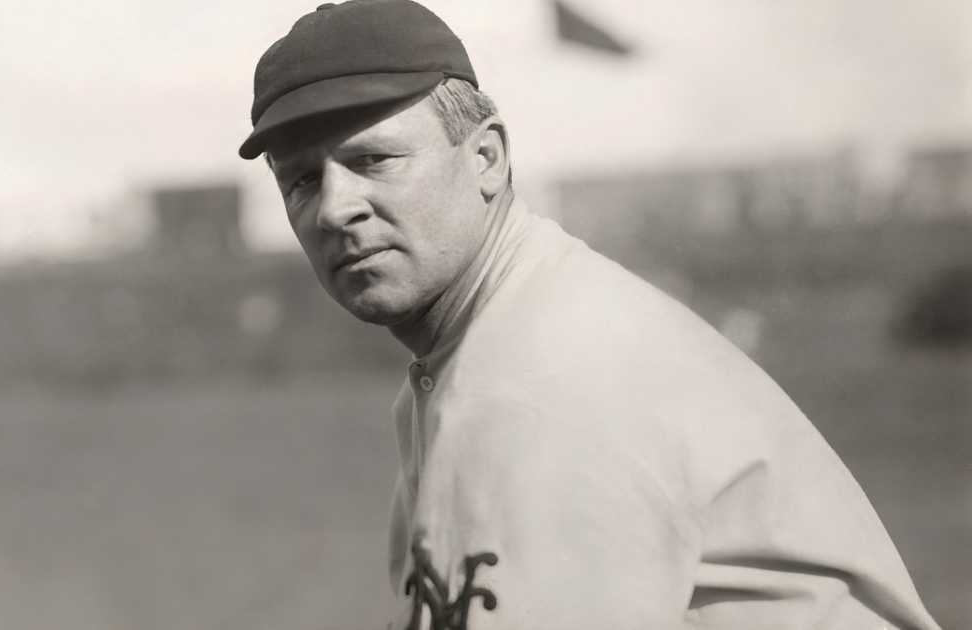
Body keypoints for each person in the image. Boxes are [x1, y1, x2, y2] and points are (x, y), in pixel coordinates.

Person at [239, 1, 942, 628]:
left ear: (486, 157)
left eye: (374, 159)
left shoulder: (542, 378)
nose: (335, 209)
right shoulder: (493, 342)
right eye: (301, 180)